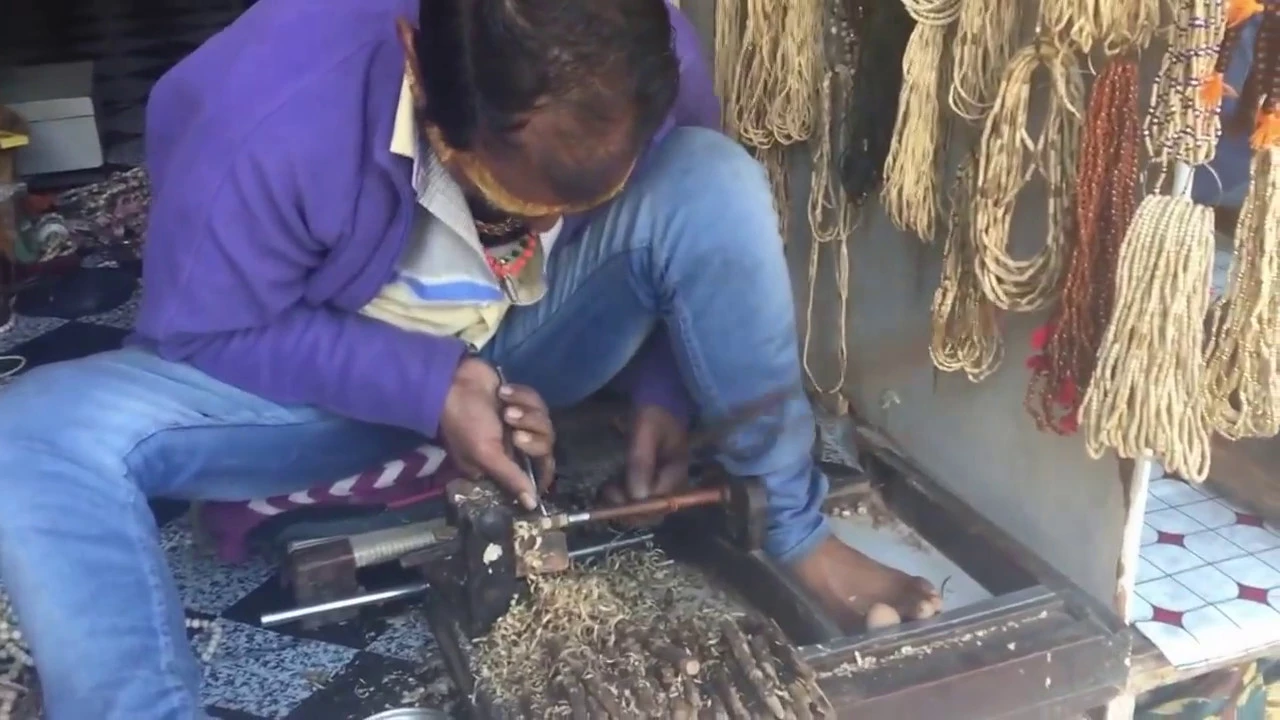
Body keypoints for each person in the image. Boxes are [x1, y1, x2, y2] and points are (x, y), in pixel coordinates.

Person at [0, 0, 941, 716]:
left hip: (520, 347)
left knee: (715, 179)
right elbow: (204, 333)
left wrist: (661, 382)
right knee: (36, 435)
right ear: (416, 61)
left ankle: (798, 535)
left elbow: (679, 214)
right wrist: (427, 384)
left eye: (569, 206)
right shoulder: (271, 114)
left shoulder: (640, 48)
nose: (532, 231)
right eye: (503, 196)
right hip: (310, 378)